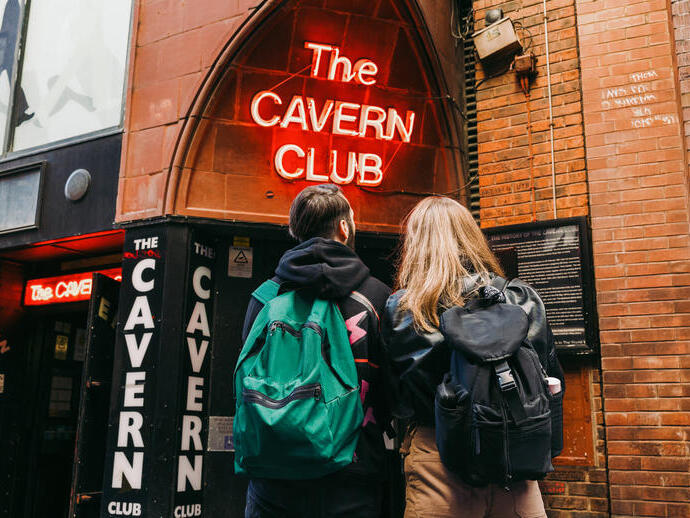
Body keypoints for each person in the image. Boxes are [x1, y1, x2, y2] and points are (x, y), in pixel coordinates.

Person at [382, 196, 564, 518]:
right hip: (515, 455)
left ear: (416, 244)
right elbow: (552, 381)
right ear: (472, 237)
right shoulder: (522, 298)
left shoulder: (405, 309)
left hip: (439, 457)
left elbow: (399, 398)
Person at [241, 184, 392, 518]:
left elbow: (244, 375)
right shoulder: (378, 296)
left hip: (273, 471)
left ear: (296, 231)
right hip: (354, 470)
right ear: (344, 227)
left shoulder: (264, 298)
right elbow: (392, 390)